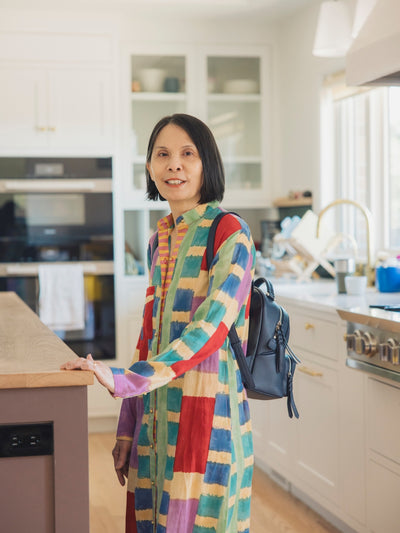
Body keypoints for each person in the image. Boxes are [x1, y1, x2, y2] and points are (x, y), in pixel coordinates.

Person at [61, 113, 256, 533]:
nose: (174, 165)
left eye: (188, 154)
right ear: (149, 167)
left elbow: (208, 331)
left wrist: (125, 380)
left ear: (208, 163)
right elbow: (148, 335)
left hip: (208, 418)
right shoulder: (160, 239)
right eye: (162, 155)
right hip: (155, 419)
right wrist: (128, 428)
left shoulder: (230, 234)